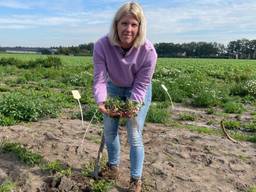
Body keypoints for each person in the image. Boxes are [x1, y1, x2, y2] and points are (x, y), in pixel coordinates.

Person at [93, 2, 157, 192]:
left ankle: (135, 180)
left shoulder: (148, 51)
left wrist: (133, 106)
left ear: (140, 27)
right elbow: (100, 78)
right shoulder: (102, 45)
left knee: (134, 134)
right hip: (113, 87)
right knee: (110, 130)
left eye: (134, 24)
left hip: (137, 90)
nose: (128, 29)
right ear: (116, 24)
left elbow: (142, 84)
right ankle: (113, 167)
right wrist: (101, 100)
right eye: (124, 23)